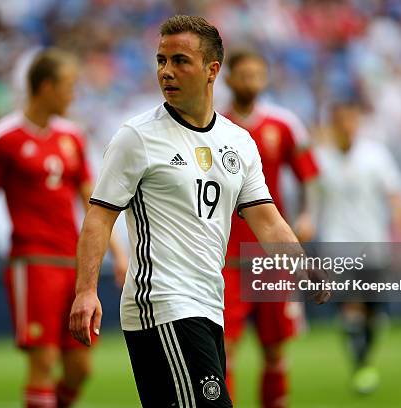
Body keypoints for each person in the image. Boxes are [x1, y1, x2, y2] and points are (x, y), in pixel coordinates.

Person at [69, 15, 330, 407]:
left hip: (209, 302)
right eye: (161, 60)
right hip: (163, 303)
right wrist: (86, 290)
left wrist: (302, 266)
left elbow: (268, 220)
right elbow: (100, 215)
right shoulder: (137, 137)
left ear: (212, 71)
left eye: (179, 61)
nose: (166, 72)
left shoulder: (238, 142)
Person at [0, 49, 128, 408]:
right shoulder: (1, 138)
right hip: (32, 261)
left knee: (80, 368)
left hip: (74, 263)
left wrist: (117, 252)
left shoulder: (73, 137)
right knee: (44, 361)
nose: (73, 94)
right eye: (69, 86)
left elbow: (92, 202)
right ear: (47, 87)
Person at [221, 49, 319, 407]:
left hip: (270, 255)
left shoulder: (283, 124)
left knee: (275, 350)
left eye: (257, 75)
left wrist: (309, 216)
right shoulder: (214, 125)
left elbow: (309, 175)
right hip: (226, 256)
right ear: (228, 79)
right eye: (244, 75)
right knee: (225, 347)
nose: (251, 82)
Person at [314, 98, 401, 394]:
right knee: (351, 304)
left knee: (375, 314)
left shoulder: (375, 155)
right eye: (340, 120)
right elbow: (310, 194)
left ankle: (363, 362)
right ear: (332, 124)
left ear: (357, 122)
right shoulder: (320, 157)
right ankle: (361, 368)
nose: (346, 126)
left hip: (373, 242)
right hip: (336, 242)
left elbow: (395, 193)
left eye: (351, 120)